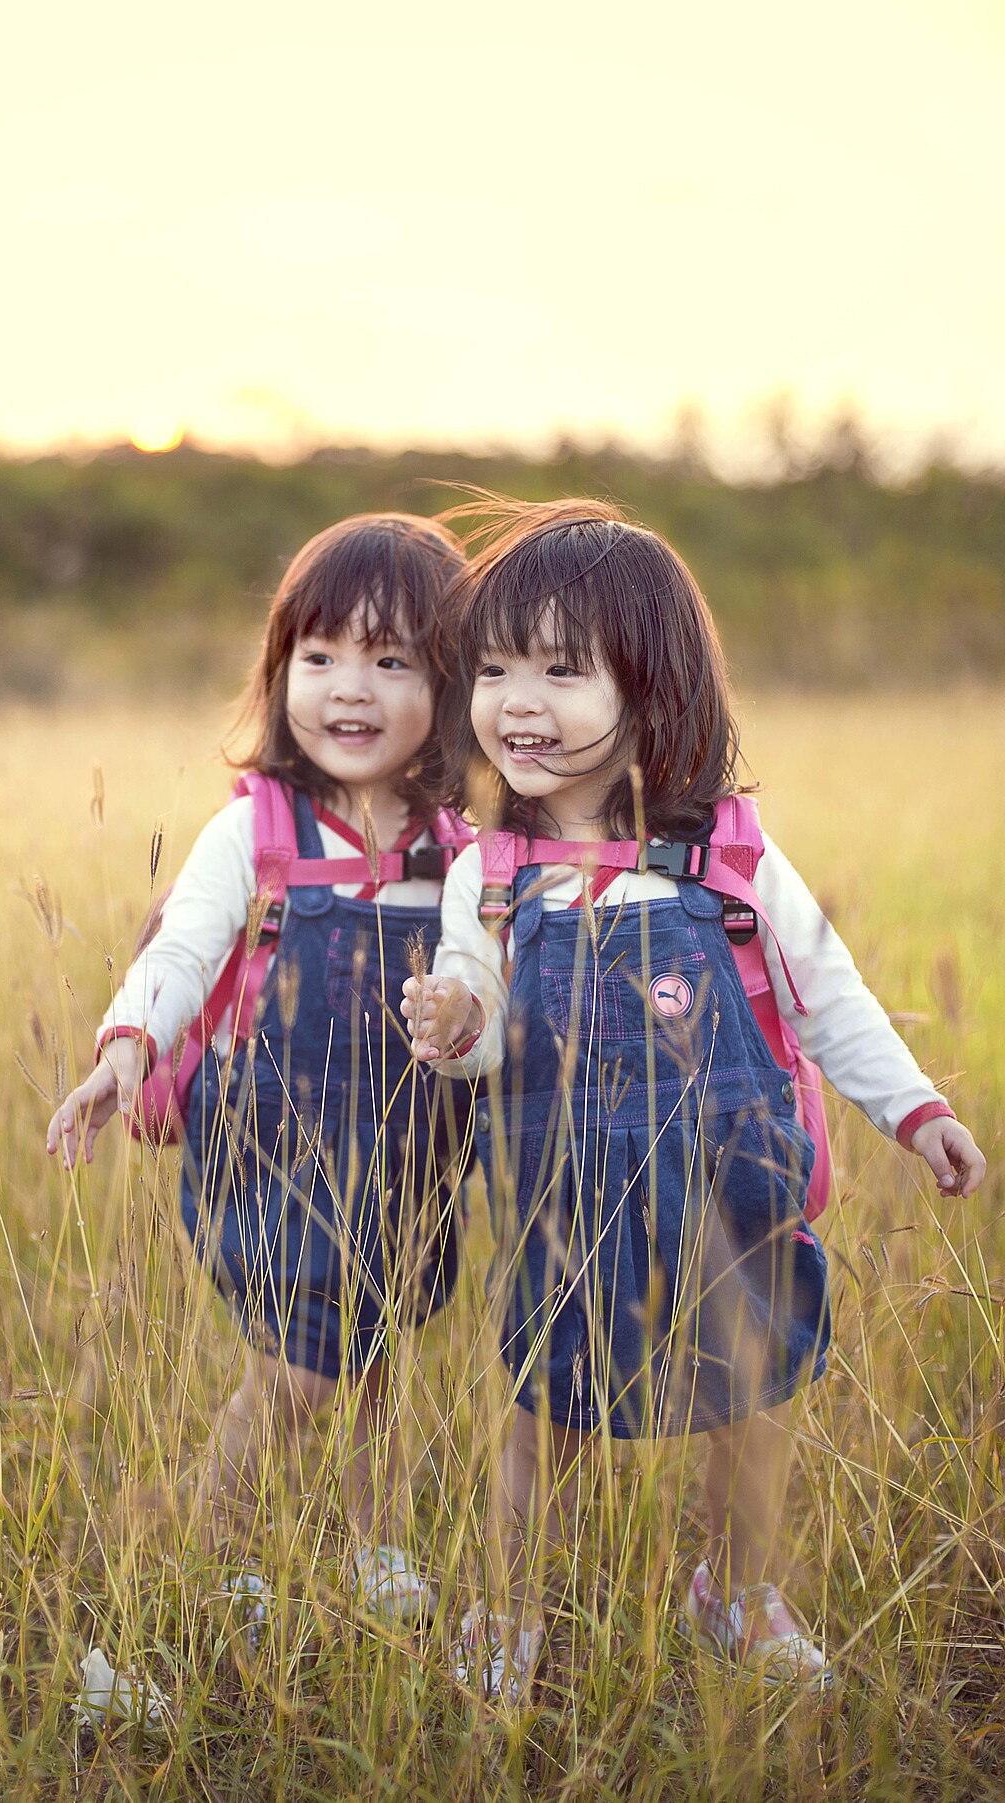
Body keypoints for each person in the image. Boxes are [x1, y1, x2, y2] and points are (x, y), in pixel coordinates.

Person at [402, 496, 986, 1701]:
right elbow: (476, 1019)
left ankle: (738, 1589)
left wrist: (917, 1109)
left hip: (734, 1183)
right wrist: (454, 1027)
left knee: (752, 1393)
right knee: (549, 1404)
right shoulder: (491, 875)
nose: (519, 701)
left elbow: (828, 996)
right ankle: (510, 1611)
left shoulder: (730, 858)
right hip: (568, 1199)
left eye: (564, 671)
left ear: (652, 688)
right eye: (498, 667)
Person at [48, 513, 475, 1640]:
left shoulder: (458, 844)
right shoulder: (257, 831)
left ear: (454, 682)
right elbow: (184, 950)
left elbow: (501, 975)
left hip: (410, 1143)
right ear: (280, 667)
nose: (350, 687)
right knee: (296, 1371)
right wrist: (125, 1050)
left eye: (392, 661)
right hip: (273, 1140)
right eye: (320, 655)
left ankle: (370, 1540)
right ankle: (213, 1538)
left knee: (373, 1356)